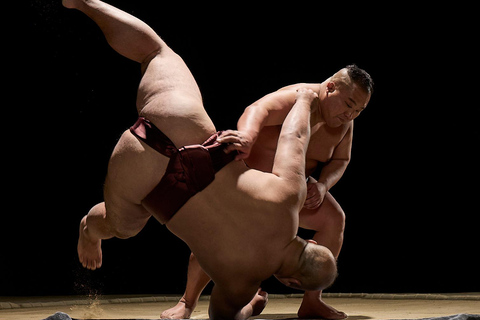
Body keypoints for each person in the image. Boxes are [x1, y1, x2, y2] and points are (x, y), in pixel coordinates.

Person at [63, 0, 337, 319]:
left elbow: (296, 138)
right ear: (291, 281)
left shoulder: (290, 198)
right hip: (145, 175)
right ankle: (91, 230)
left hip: (181, 124)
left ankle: (85, 2)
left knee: (157, 52)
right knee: (119, 225)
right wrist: (249, 306)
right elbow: (222, 317)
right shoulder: (239, 284)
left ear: (308, 242)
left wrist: (304, 98)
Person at [162, 66, 373, 319]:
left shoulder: (345, 123)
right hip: (250, 186)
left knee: (335, 219)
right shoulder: (300, 96)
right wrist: (249, 137)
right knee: (218, 240)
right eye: (349, 104)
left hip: (292, 192)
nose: (350, 114)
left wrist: (323, 185)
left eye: (359, 110)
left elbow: (341, 160)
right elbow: (257, 109)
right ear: (330, 87)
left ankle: (312, 301)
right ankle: (187, 302)